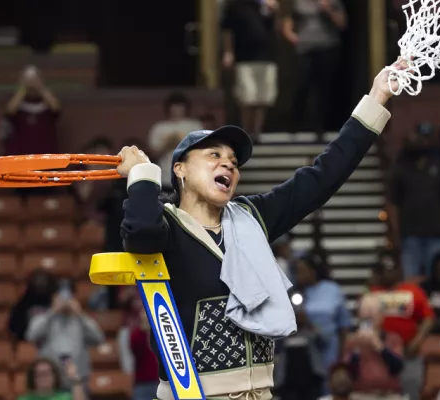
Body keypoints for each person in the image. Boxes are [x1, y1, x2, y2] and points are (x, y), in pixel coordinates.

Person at [115, 62, 401, 399]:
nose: (228, 164)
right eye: (213, 155)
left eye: (234, 162)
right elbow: (141, 235)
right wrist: (143, 177)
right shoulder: (166, 224)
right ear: (179, 169)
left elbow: (324, 176)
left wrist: (376, 97)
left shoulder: (251, 217)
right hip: (190, 394)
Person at [389, 123, 440, 278]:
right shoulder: (401, 167)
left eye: (427, 138)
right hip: (410, 235)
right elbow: (393, 204)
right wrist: (395, 233)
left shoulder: (439, 165)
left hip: (436, 233)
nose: (424, 142)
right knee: (410, 281)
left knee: (436, 280)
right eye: (421, 138)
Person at [369, 261, 435, 400]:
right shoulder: (374, 292)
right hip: (382, 354)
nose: (388, 273)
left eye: (391, 269)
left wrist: (417, 341)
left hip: (408, 352)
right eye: (384, 270)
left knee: (410, 394)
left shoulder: (412, 291)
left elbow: (428, 318)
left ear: (398, 271)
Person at [283, 0, 348, 134]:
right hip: (305, 48)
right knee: (302, 84)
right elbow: (287, 21)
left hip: (327, 47)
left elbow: (342, 24)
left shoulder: (333, 2)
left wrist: (329, 10)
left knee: (324, 88)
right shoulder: (298, 3)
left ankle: (320, 126)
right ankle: (294, 124)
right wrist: (292, 37)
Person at [26, 283, 104, 389]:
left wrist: (80, 314)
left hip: (78, 378)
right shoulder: (44, 318)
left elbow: (99, 338)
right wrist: (52, 312)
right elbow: (31, 335)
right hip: (51, 382)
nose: (65, 302)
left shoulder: (82, 320)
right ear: (54, 297)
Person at [222, 0, 279, 139]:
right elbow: (227, 30)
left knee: (263, 98)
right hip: (244, 58)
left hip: (266, 58)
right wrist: (228, 52)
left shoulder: (266, 6)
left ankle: (257, 133)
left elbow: (276, 30)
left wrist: (275, 12)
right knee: (247, 97)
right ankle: (246, 131)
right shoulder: (234, 6)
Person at [294, 252, 352, 369]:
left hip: (330, 347)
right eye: (297, 271)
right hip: (305, 350)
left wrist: (342, 353)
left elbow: (344, 324)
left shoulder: (332, 290)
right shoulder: (295, 293)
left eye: (302, 271)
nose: (298, 275)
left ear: (312, 271)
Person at [343, 294, 405, 400]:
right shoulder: (352, 341)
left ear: (381, 317)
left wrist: (379, 347)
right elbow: (349, 373)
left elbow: (397, 368)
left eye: (372, 316)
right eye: (365, 317)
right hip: (360, 394)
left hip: (389, 394)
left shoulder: (393, 338)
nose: (369, 321)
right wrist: (357, 347)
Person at [147, 92, 204, 193]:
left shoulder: (194, 125)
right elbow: (153, 155)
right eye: (174, 107)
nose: (177, 110)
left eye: (180, 107)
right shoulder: (159, 127)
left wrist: (182, 143)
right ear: (168, 108)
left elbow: (201, 150)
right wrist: (167, 145)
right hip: (165, 176)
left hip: (189, 176)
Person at [0, 65, 61, 156]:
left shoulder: (47, 101)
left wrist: (40, 86)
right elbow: (9, 112)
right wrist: (24, 87)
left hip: (45, 154)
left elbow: (56, 108)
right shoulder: (16, 100)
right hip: (21, 154)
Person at [275, 294, 328, 400]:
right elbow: (276, 346)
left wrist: (309, 324)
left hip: (310, 379)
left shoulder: (310, 331)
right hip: (288, 380)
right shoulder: (285, 333)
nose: (298, 317)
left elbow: (323, 341)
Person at [118, 303, 158, 400]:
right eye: (144, 312)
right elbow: (136, 351)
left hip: (162, 382)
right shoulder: (136, 334)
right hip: (143, 383)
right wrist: (144, 331)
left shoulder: (162, 333)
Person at [8, 269, 58, 342]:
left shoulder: (59, 303)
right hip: (28, 344)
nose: (40, 285)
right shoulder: (22, 305)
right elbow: (14, 328)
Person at [17, 358, 86, 400]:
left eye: (47, 373)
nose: (44, 377)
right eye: (40, 374)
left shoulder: (65, 397)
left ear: (54, 376)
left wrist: (74, 378)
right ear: (33, 378)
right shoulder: (24, 399)